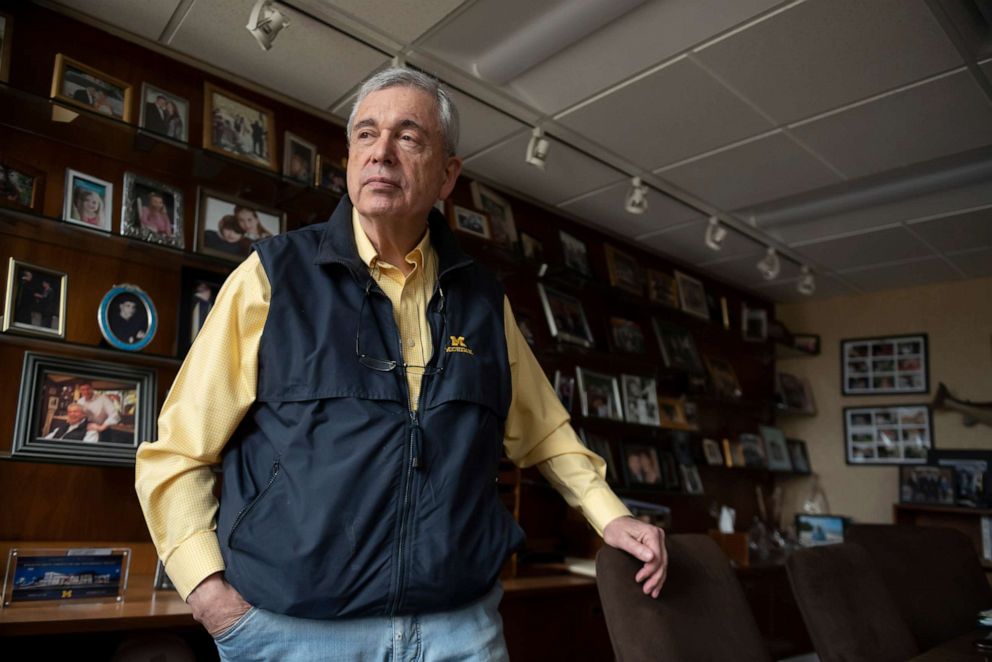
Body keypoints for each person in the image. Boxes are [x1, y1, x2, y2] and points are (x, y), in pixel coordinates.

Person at [134, 67, 666, 661]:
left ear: (447, 175)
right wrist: (207, 592)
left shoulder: (485, 302)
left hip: (458, 631)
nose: (381, 152)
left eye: (408, 137)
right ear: (349, 158)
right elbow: (178, 451)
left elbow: (543, 430)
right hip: (295, 633)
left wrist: (610, 518)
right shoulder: (272, 278)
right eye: (366, 134)